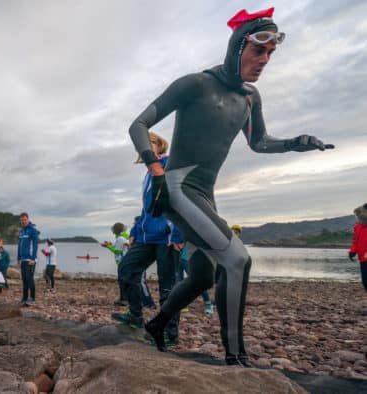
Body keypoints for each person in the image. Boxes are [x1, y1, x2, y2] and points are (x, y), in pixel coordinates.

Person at [127, 7, 333, 366]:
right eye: (258, 51)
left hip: (204, 194)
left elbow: (258, 142)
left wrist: (294, 142)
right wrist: (156, 170)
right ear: (238, 47)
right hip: (176, 187)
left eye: (270, 54)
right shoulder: (195, 84)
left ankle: (157, 325)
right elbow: (138, 125)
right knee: (237, 259)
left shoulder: (251, 98)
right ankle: (236, 358)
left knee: (204, 274)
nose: (265, 60)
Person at [112, 132, 184, 350]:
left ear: (159, 145)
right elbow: (147, 208)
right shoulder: (147, 174)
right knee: (126, 269)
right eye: (140, 146)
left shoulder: (170, 164)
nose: (142, 149)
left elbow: (181, 197)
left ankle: (170, 334)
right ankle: (135, 316)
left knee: (167, 287)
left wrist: (178, 232)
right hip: (146, 235)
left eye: (148, 143)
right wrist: (135, 230)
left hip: (167, 237)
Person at [178, 246, 213, 315]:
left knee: (198, 282)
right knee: (179, 282)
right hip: (178, 255)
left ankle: (208, 303)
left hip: (189, 257)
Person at [101, 222, 130, 306]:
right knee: (124, 280)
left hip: (122, 262)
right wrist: (110, 245)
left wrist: (107, 246)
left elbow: (117, 251)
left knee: (122, 280)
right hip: (124, 261)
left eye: (113, 229)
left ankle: (124, 299)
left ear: (115, 230)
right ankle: (125, 298)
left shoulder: (120, 238)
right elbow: (119, 248)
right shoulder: (122, 238)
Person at [17, 212, 39, 305]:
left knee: (30, 279)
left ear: (28, 219)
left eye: (25, 220)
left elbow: (35, 245)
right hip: (23, 260)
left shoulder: (33, 230)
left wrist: (33, 258)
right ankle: (24, 298)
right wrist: (18, 258)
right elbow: (19, 246)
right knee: (24, 279)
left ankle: (32, 298)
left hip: (30, 260)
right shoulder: (21, 232)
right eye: (22, 220)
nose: (23, 221)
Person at [349, 203, 367, 291]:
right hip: (363, 258)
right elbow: (355, 241)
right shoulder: (358, 226)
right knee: (365, 281)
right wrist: (352, 251)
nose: (358, 217)